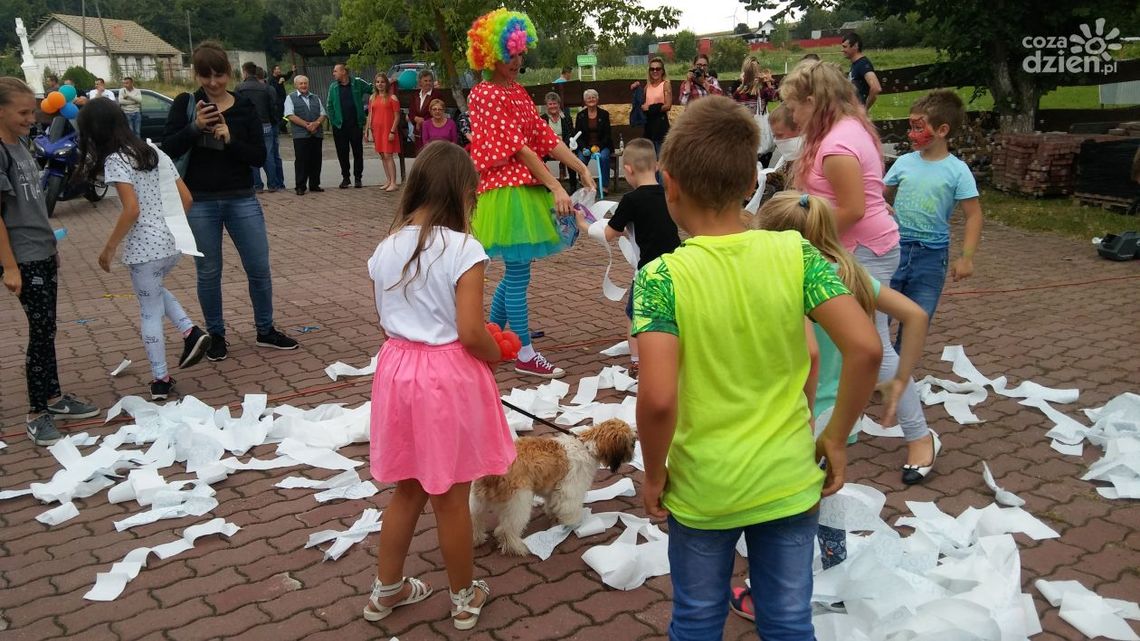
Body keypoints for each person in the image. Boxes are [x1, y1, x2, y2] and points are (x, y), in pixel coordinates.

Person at [633, 95, 881, 641]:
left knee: (697, 619)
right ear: (752, 181)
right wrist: (835, 437)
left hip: (703, 488)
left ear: (668, 183)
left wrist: (653, 474)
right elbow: (863, 348)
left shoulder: (660, 279)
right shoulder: (796, 254)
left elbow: (656, 399)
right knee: (789, 621)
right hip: (790, 479)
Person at [728, 189, 932, 622]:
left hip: (800, 417)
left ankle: (776, 592)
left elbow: (809, 356)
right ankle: (836, 577)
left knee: (790, 512)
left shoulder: (789, 278)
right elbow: (915, 315)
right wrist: (898, 378)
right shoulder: (849, 273)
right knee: (827, 495)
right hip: (841, 418)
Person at [364, 141, 515, 631]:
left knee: (407, 488)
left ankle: (387, 589)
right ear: (463, 192)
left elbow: (385, 319)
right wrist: (499, 352)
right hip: (444, 376)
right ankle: (464, 595)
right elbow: (472, 331)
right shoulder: (463, 248)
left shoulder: (385, 248)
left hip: (398, 369)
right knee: (450, 494)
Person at [780, 60, 937, 479]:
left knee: (874, 346)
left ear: (813, 102)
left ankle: (920, 436)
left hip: (857, 251)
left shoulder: (836, 146)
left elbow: (850, 207)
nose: (791, 116)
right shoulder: (846, 129)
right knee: (856, 343)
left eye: (794, 106)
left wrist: (806, 237)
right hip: (853, 247)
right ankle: (831, 419)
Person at [465, 8, 596, 378]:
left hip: (524, 189)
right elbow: (518, 146)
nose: (517, 62)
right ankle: (523, 351)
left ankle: (492, 337)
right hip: (506, 193)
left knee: (516, 272)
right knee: (519, 274)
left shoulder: (517, 91)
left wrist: (580, 167)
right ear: (489, 56)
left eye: (521, 54)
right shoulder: (484, 94)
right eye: (510, 55)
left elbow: (544, 138)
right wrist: (556, 184)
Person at [161, 41, 298, 361]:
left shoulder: (244, 106)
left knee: (259, 267)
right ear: (196, 75)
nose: (213, 82)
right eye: (205, 75)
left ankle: (265, 329)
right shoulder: (186, 103)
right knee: (208, 271)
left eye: (219, 75)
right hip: (201, 201)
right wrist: (195, 128)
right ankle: (217, 334)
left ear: (229, 73)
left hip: (241, 198)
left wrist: (229, 137)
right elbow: (168, 149)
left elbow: (259, 156)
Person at [75, 98, 212, 400]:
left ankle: (160, 379)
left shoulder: (115, 160)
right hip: (172, 242)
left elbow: (131, 209)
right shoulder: (154, 151)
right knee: (155, 292)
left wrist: (109, 247)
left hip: (144, 249)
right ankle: (191, 332)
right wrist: (168, 227)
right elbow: (186, 199)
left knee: (149, 311)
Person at [0, 77, 99, 446]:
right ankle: (36, 411)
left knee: (49, 328)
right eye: (23, 112)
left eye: (32, 111)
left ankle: (55, 398)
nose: (32, 118)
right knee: (40, 333)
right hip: (22, 256)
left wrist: (50, 246)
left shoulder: (21, 143)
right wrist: (10, 266)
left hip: (41, 250)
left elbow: (33, 204)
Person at [885, 90, 982, 350]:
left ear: (942, 130)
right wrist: (879, 203)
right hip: (894, 249)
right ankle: (876, 369)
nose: (910, 134)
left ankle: (899, 377)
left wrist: (966, 257)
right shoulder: (904, 162)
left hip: (932, 256)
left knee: (918, 317)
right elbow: (879, 194)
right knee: (879, 316)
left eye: (918, 128)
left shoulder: (958, 171)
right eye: (910, 127)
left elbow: (973, 215)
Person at [574, 138, 679, 377]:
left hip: (648, 271)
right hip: (676, 265)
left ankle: (637, 362)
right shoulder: (669, 194)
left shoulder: (630, 200)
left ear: (627, 170)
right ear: (657, 166)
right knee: (671, 313)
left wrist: (583, 225)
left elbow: (609, 234)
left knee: (635, 316)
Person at [236, 61, 285, 193]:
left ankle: (257, 185)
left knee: (251, 154)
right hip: (266, 124)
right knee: (269, 155)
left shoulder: (239, 88)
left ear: (245, 72)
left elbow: (237, 107)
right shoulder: (267, 88)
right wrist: (274, 121)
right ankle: (273, 184)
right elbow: (274, 107)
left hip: (248, 126)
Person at [327, 63, 372, 189]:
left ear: (344, 72)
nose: (333, 73)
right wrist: (335, 122)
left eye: (335, 71)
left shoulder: (357, 83)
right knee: (342, 153)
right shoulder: (333, 87)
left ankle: (358, 178)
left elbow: (372, 89)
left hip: (355, 125)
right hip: (340, 126)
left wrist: (390, 82)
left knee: (358, 152)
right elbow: (329, 106)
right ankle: (345, 178)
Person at [283, 74, 326, 196]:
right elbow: (290, 115)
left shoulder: (315, 97)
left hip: (316, 133)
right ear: (296, 85)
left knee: (316, 160)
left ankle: (314, 184)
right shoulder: (290, 98)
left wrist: (316, 123)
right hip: (300, 135)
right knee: (302, 161)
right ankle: (300, 186)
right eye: (301, 83)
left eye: (305, 83)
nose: (303, 85)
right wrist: (307, 125)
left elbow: (323, 113)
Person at [364, 72, 401, 192]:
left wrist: (392, 131)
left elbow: (397, 116)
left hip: (388, 130)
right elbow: (370, 114)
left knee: (388, 155)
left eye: (382, 82)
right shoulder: (372, 97)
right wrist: (367, 130)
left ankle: (394, 182)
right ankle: (388, 180)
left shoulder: (392, 98)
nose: (380, 84)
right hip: (377, 130)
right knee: (382, 155)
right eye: (378, 82)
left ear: (387, 83)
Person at [629, 56, 672, 156]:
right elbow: (641, 104)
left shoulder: (665, 85)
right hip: (649, 126)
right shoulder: (647, 87)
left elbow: (668, 106)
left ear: (662, 71)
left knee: (661, 161)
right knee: (650, 162)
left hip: (661, 125)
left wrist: (651, 108)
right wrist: (635, 90)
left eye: (658, 69)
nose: (655, 71)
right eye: (652, 69)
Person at [574, 89, 613, 192]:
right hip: (586, 146)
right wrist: (583, 148)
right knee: (581, 160)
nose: (591, 99)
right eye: (588, 98)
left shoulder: (604, 114)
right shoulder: (580, 115)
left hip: (602, 145)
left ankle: (604, 186)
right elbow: (578, 135)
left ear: (597, 99)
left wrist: (599, 147)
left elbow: (607, 135)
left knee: (604, 157)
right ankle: (586, 185)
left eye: (593, 97)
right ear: (585, 101)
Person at [541, 92, 577, 192]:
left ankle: (573, 186)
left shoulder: (566, 118)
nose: (553, 106)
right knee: (539, 159)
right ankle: (546, 185)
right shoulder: (542, 118)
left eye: (555, 103)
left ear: (559, 104)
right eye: (550, 104)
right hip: (548, 147)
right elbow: (541, 136)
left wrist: (562, 147)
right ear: (546, 105)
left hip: (563, 146)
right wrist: (550, 149)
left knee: (571, 157)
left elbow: (570, 134)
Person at [407, 69, 446, 152]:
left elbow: (437, 111)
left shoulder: (437, 95)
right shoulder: (415, 96)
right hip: (417, 129)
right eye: (425, 81)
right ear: (420, 82)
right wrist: (415, 119)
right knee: (419, 155)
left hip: (432, 130)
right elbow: (411, 112)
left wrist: (423, 122)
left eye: (430, 81)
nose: (428, 83)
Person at [841, 33, 881, 110]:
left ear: (855, 46)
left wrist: (865, 108)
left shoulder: (863, 64)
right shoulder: (856, 64)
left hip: (858, 113)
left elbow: (876, 88)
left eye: (845, 47)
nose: (842, 50)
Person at [271, 64, 295, 132]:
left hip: (283, 99)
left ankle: (282, 128)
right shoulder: (271, 79)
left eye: (279, 69)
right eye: (277, 69)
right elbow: (273, 90)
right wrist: (279, 83)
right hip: (277, 101)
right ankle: (279, 128)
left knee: (285, 114)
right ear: (274, 70)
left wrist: (292, 71)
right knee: (281, 115)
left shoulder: (280, 76)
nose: (279, 70)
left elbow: (286, 76)